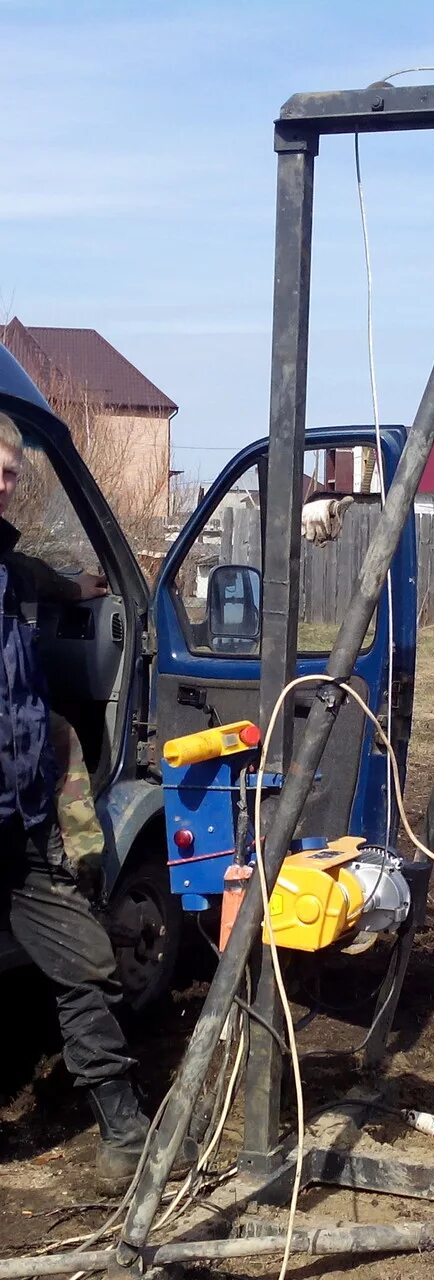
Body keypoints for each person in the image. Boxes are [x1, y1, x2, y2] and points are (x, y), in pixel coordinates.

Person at [0, 410, 151, 1186]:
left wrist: (79, 586)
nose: (4, 483)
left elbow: (34, 579)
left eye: (11, 474)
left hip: (21, 824)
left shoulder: (7, 570)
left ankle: (124, 1133)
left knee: (85, 963)